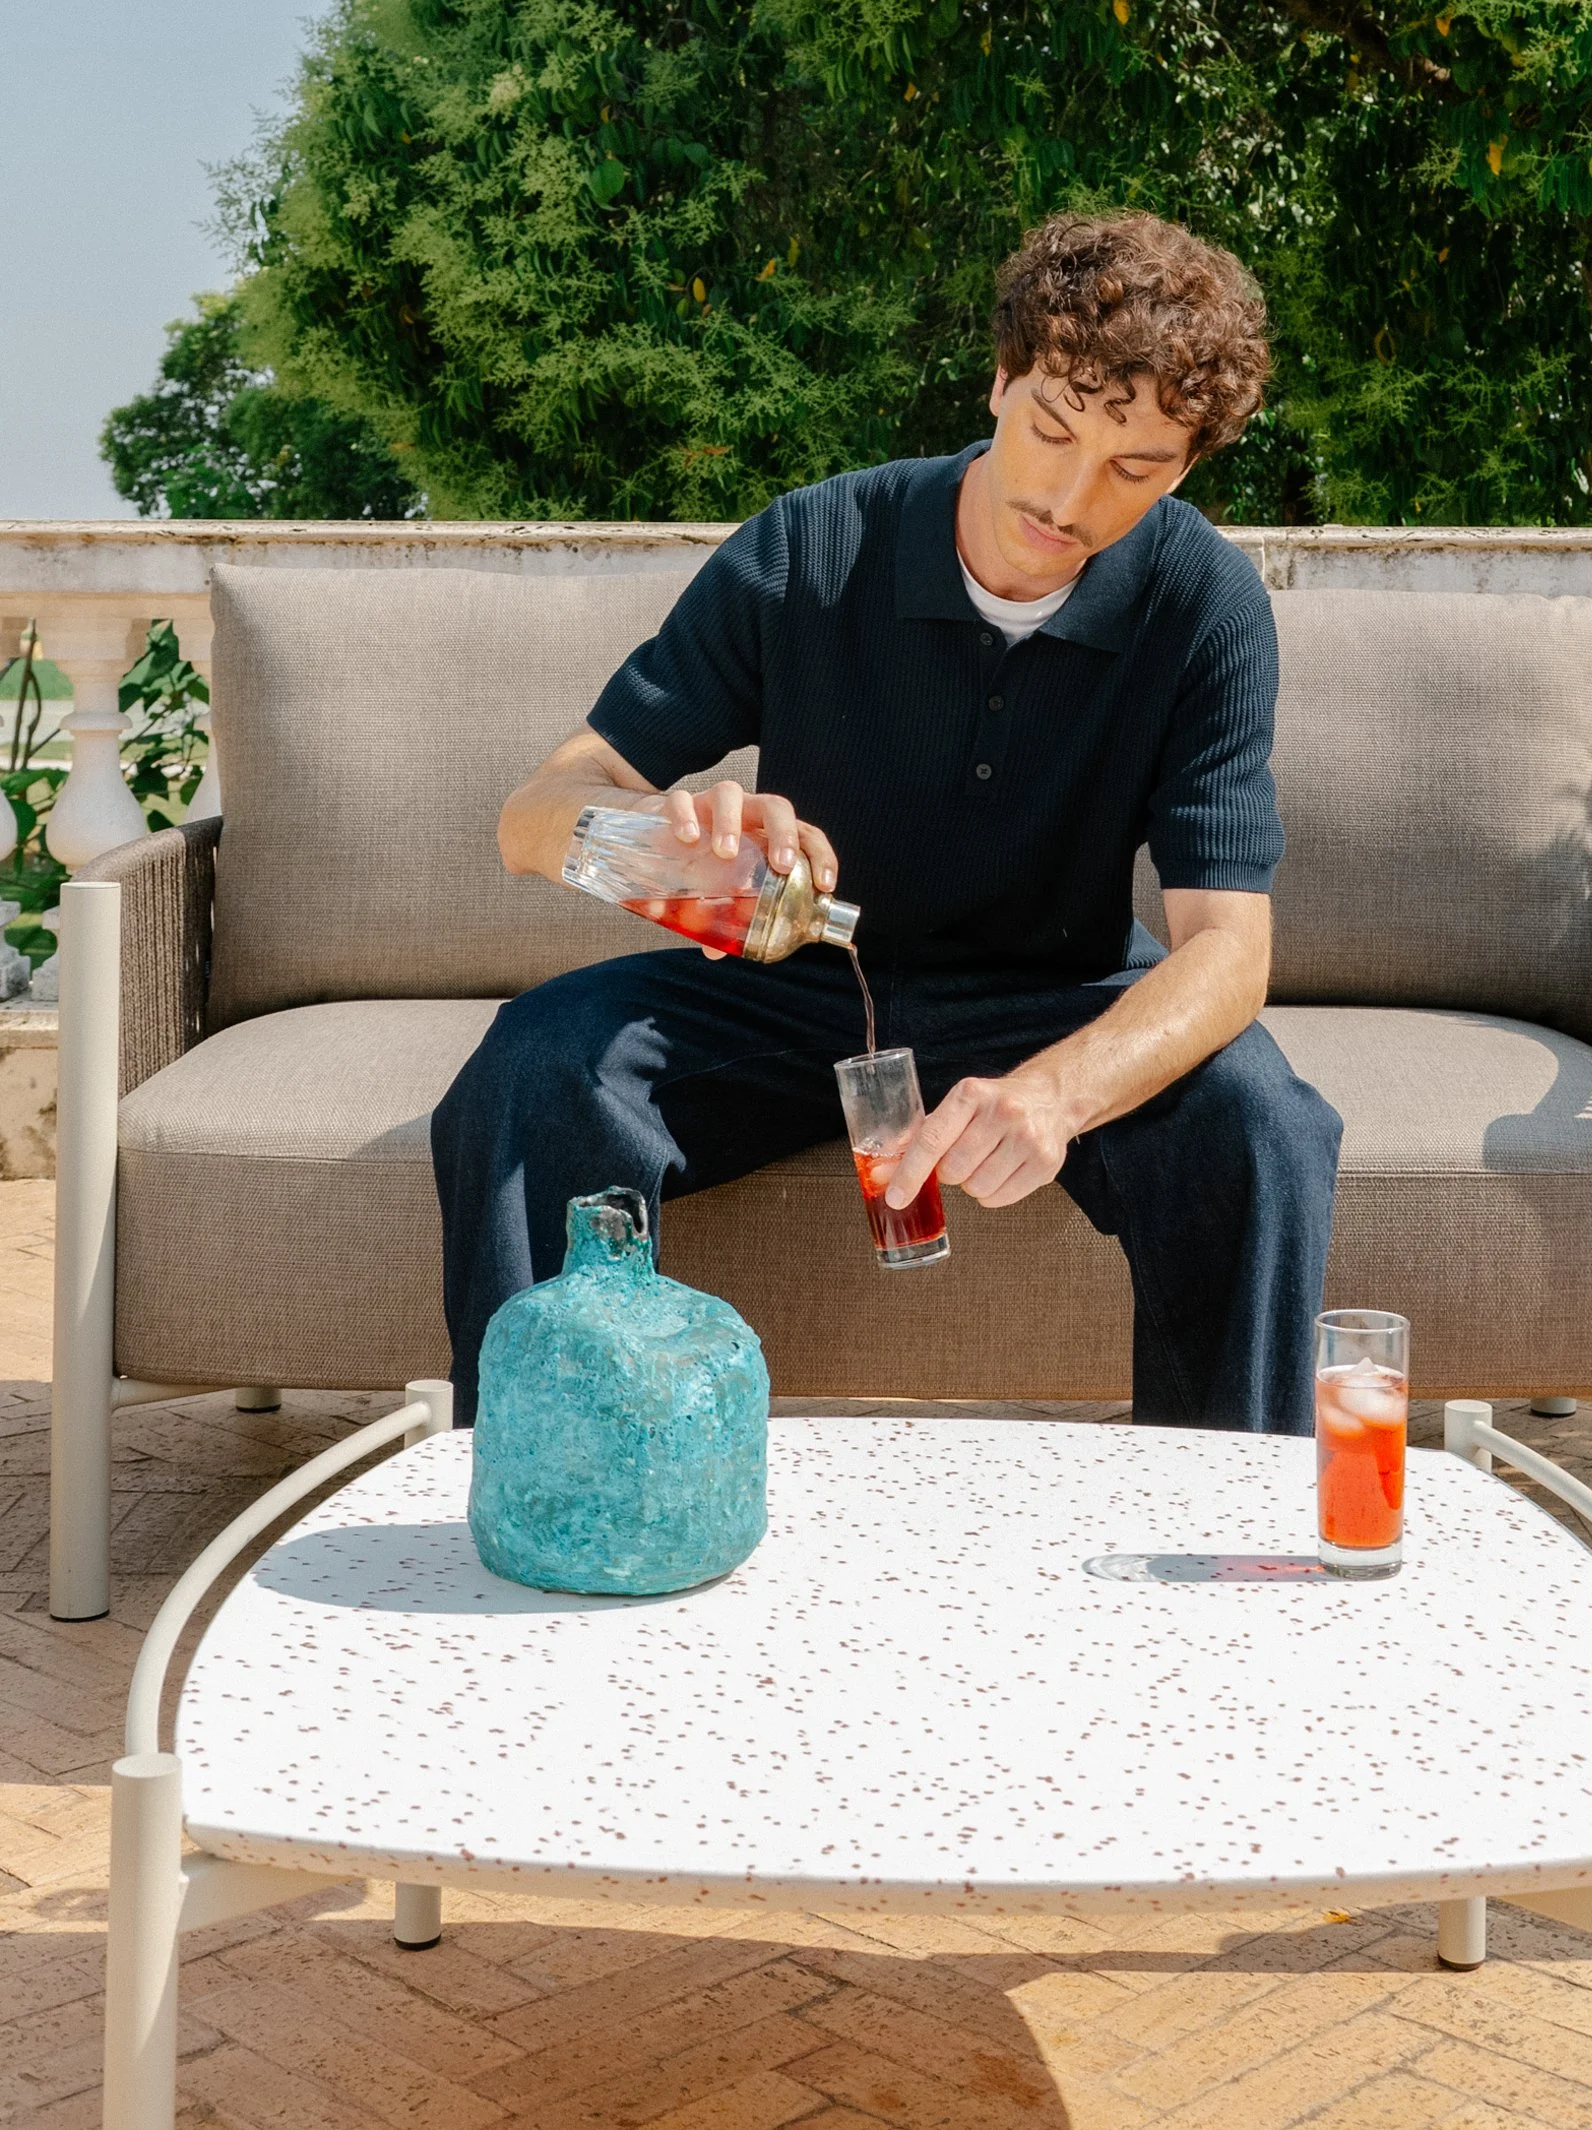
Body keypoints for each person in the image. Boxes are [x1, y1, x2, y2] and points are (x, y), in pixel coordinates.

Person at [432, 211, 1343, 1429]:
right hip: (792, 986)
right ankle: (538, 1470)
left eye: (1135, 468)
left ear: (1187, 466)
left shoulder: (1206, 605)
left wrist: (1059, 1095)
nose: (1069, 499)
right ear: (1001, 378)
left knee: (1262, 1123)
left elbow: (1230, 950)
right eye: (1053, 428)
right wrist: (660, 839)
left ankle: (1231, 1522)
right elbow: (531, 815)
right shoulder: (813, 543)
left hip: (1051, 995)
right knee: (537, 1063)